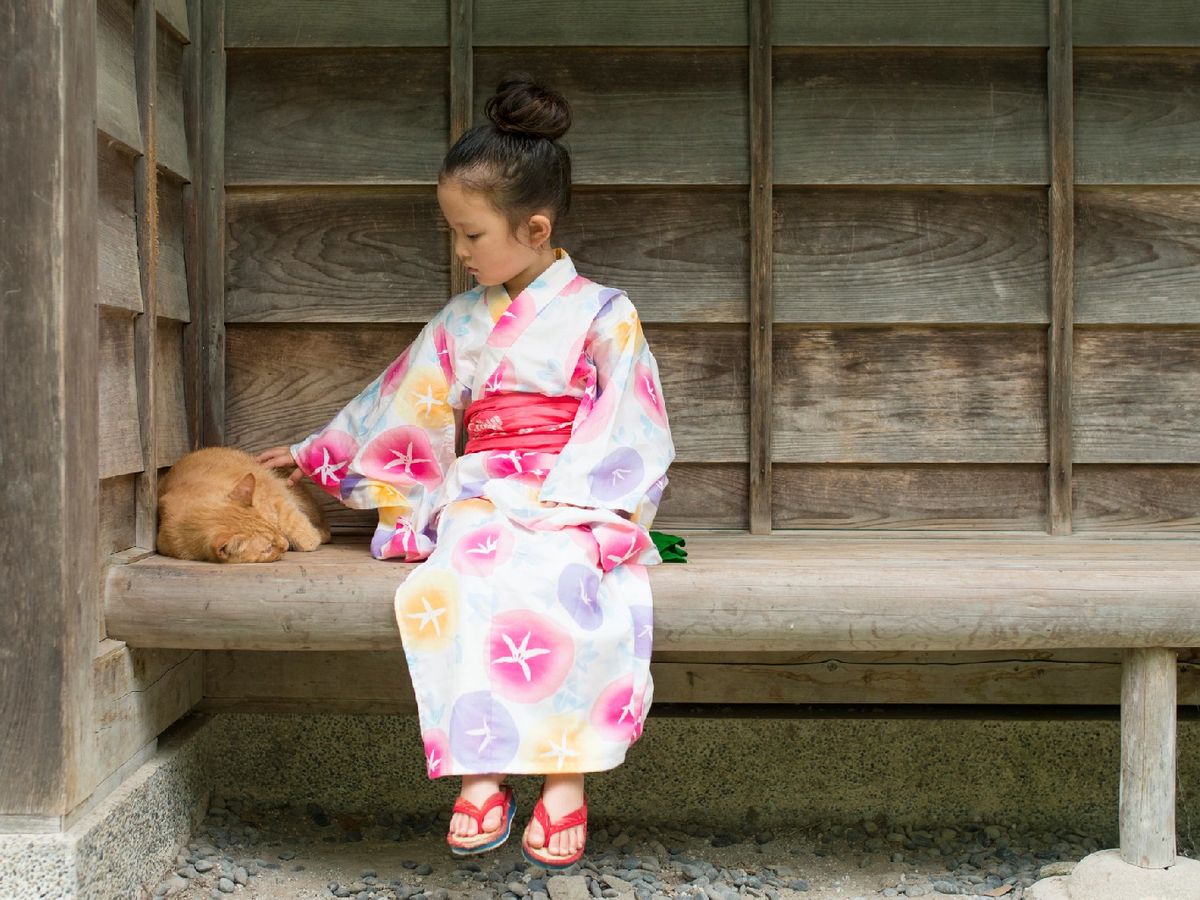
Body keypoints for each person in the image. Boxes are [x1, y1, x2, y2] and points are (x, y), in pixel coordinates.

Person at [257, 73, 675, 869]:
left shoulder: (605, 314)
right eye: (454, 232)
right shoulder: (460, 321)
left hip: (572, 492)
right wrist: (319, 453)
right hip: (483, 493)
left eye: (470, 234)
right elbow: (404, 399)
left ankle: (565, 778)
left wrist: (575, 502)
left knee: (575, 578)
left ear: (535, 227)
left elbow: (632, 419)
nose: (459, 250)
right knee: (455, 579)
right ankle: (482, 771)